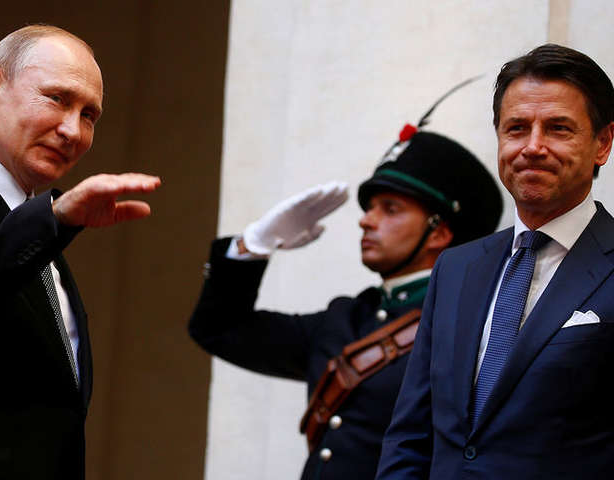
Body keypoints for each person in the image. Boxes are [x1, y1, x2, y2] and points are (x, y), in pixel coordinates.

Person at [376, 44, 614, 479]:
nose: (533, 147)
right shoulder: (456, 268)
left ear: (603, 143)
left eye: (558, 128)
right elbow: (410, 437)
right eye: (517, 128)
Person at [188, 120, 502, 479]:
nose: (366, 220)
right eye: (370, 208)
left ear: (438, 233)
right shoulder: (345, 318)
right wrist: (252, 246)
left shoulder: (466, 326)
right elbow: (218, 329)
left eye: (390, 209)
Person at [0, 25, 160, 479]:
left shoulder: (32, 221)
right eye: (57, 98)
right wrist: (55, 219)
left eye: (89, 115)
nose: (73, 130)